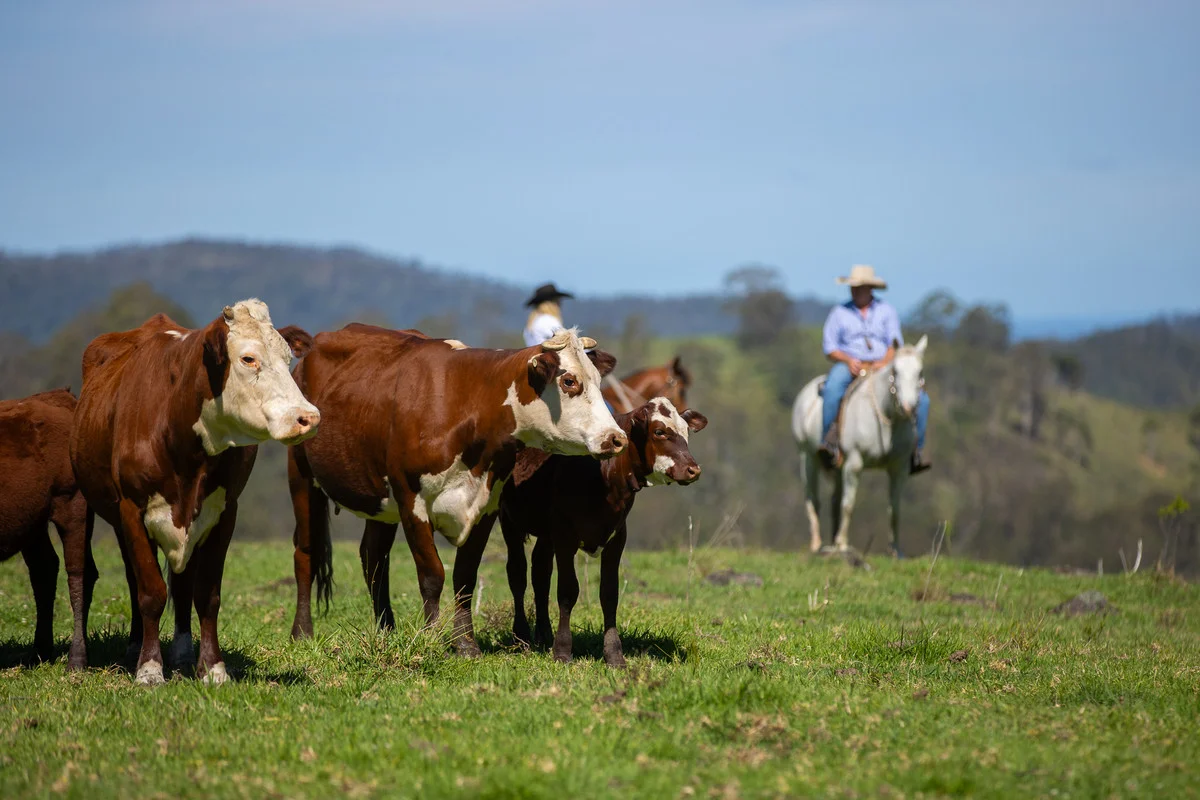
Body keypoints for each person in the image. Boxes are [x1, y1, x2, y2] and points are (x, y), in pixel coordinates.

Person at [819, 265, 931, 474]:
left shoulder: (886, 311)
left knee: (922, 400)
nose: (855, 291)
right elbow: (829, 347)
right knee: (833, 388)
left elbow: (895, 344)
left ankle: (916, 450)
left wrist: (885, 361)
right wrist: (847, 359)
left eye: (860, 287)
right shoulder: (839, 313)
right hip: (850, 366)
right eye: (853, 287)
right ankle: (829, 443)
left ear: (871, 288)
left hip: (883, 366)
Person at [523, 282, 574, 347]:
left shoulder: (534, 322)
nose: (560, 304)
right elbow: (564, 342)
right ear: (553, 303)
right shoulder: (548, 320)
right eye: (557, 301)